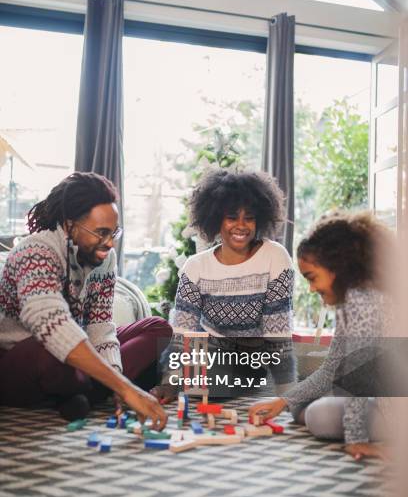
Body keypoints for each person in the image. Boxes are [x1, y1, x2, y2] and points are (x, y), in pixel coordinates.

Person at [0, 172, 171, 428]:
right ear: (70, 226)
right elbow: (53, 326)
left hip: (72, 358)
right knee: (50, 348)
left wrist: (115, 372)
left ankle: (81, 392)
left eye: (114, 233)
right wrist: (126, 388)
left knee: (157, 328)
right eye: (101, 232)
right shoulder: (35, 251)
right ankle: (89, 391)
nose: (110, 243)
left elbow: (100, 325)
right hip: (20, 360)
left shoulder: (105, 259)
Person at [249, 211, 393, 461]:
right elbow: (331, 370)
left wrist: (356, 439)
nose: (312, 288)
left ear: (337, 269)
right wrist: (282, 401)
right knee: (299, 405)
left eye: (312, 278)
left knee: (318, 416)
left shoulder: (363, 301)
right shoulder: (349, 302)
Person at [152, 169, 297, 403]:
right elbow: (183, 331)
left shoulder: (275, 256)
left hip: (251, 358)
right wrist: (169, 384)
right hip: (208, 350)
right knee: (173, 359)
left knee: (207, 383)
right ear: (216, 218)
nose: (241, 225)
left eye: (248, 217)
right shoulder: (195, 266)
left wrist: (287, 394)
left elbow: (277, 333)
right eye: (232, 217)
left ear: (259, 219)